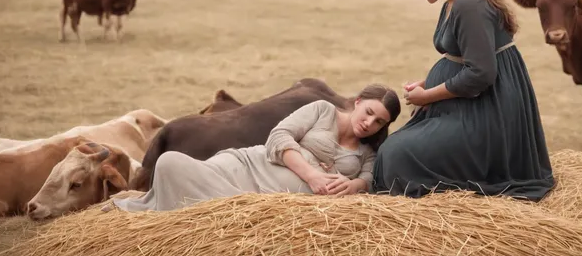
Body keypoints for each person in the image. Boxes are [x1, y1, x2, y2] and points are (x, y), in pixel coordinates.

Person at [371, 0, 555, 202]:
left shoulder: (471, 5)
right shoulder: (453, 2)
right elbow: (465, 59)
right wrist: (427, 82)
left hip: (490, 112)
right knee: (393, 149)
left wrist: (428, 96)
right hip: (470, 106)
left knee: (397, 153)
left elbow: (481, 73)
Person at [109, 84, 401, 212]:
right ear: (359, 102)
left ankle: (232, 208)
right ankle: (226, 206)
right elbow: (279, 137)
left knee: (193, 184)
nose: (370, 123)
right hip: (249, 167)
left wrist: (353, 186)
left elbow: (370, 179)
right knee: (170, 162)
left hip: (271, 197)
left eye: (379, 122)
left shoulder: (369, 151)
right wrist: (312, 176)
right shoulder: (323, 110)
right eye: (369, 112)